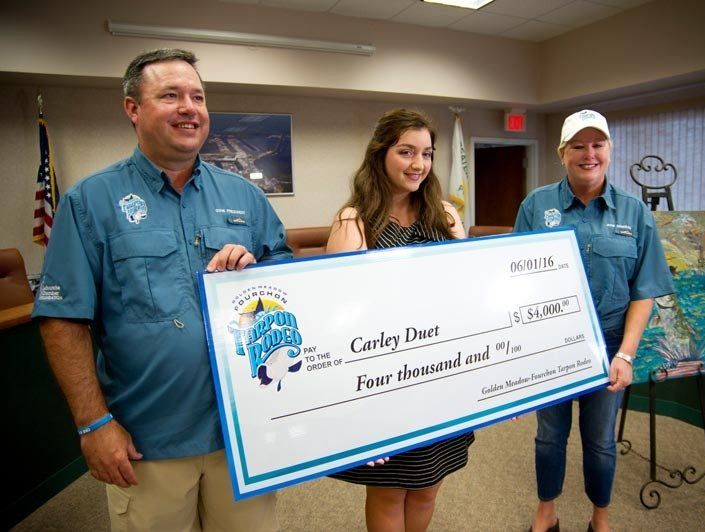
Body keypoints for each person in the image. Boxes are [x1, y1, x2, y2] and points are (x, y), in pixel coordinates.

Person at [32, 49, 291, 531]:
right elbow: (63, 320)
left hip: (242, 432)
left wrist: (258, 275)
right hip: (149, 441)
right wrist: (93, 424)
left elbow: (288, 286)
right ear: (133, 108)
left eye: (197, 96)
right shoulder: (90, 202)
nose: (189, 107)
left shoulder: (245, 197)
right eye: (170, 95)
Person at [514, 110, 674, 532]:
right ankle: (546, 511)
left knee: (600, 441)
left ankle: (600, 518)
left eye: (597, 145)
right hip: (551, 346)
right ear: (562, 153)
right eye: (579, 146)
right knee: (550, 436)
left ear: (609, 150)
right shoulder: (536, 206)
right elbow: (517, 282)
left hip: (609, 348)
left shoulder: (635, 212)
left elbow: (646, 289)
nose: (589, 154)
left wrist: (626, 353)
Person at [326, 108, 472, 532]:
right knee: (390, 489)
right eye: (406, 151)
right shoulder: (354, 221)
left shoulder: (445, 216)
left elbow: (468, 297)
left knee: (428, 484)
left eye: (426, 153)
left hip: (441, 373)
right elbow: (339, 320)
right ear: (380, 154)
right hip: (385, 379)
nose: (418, 164)